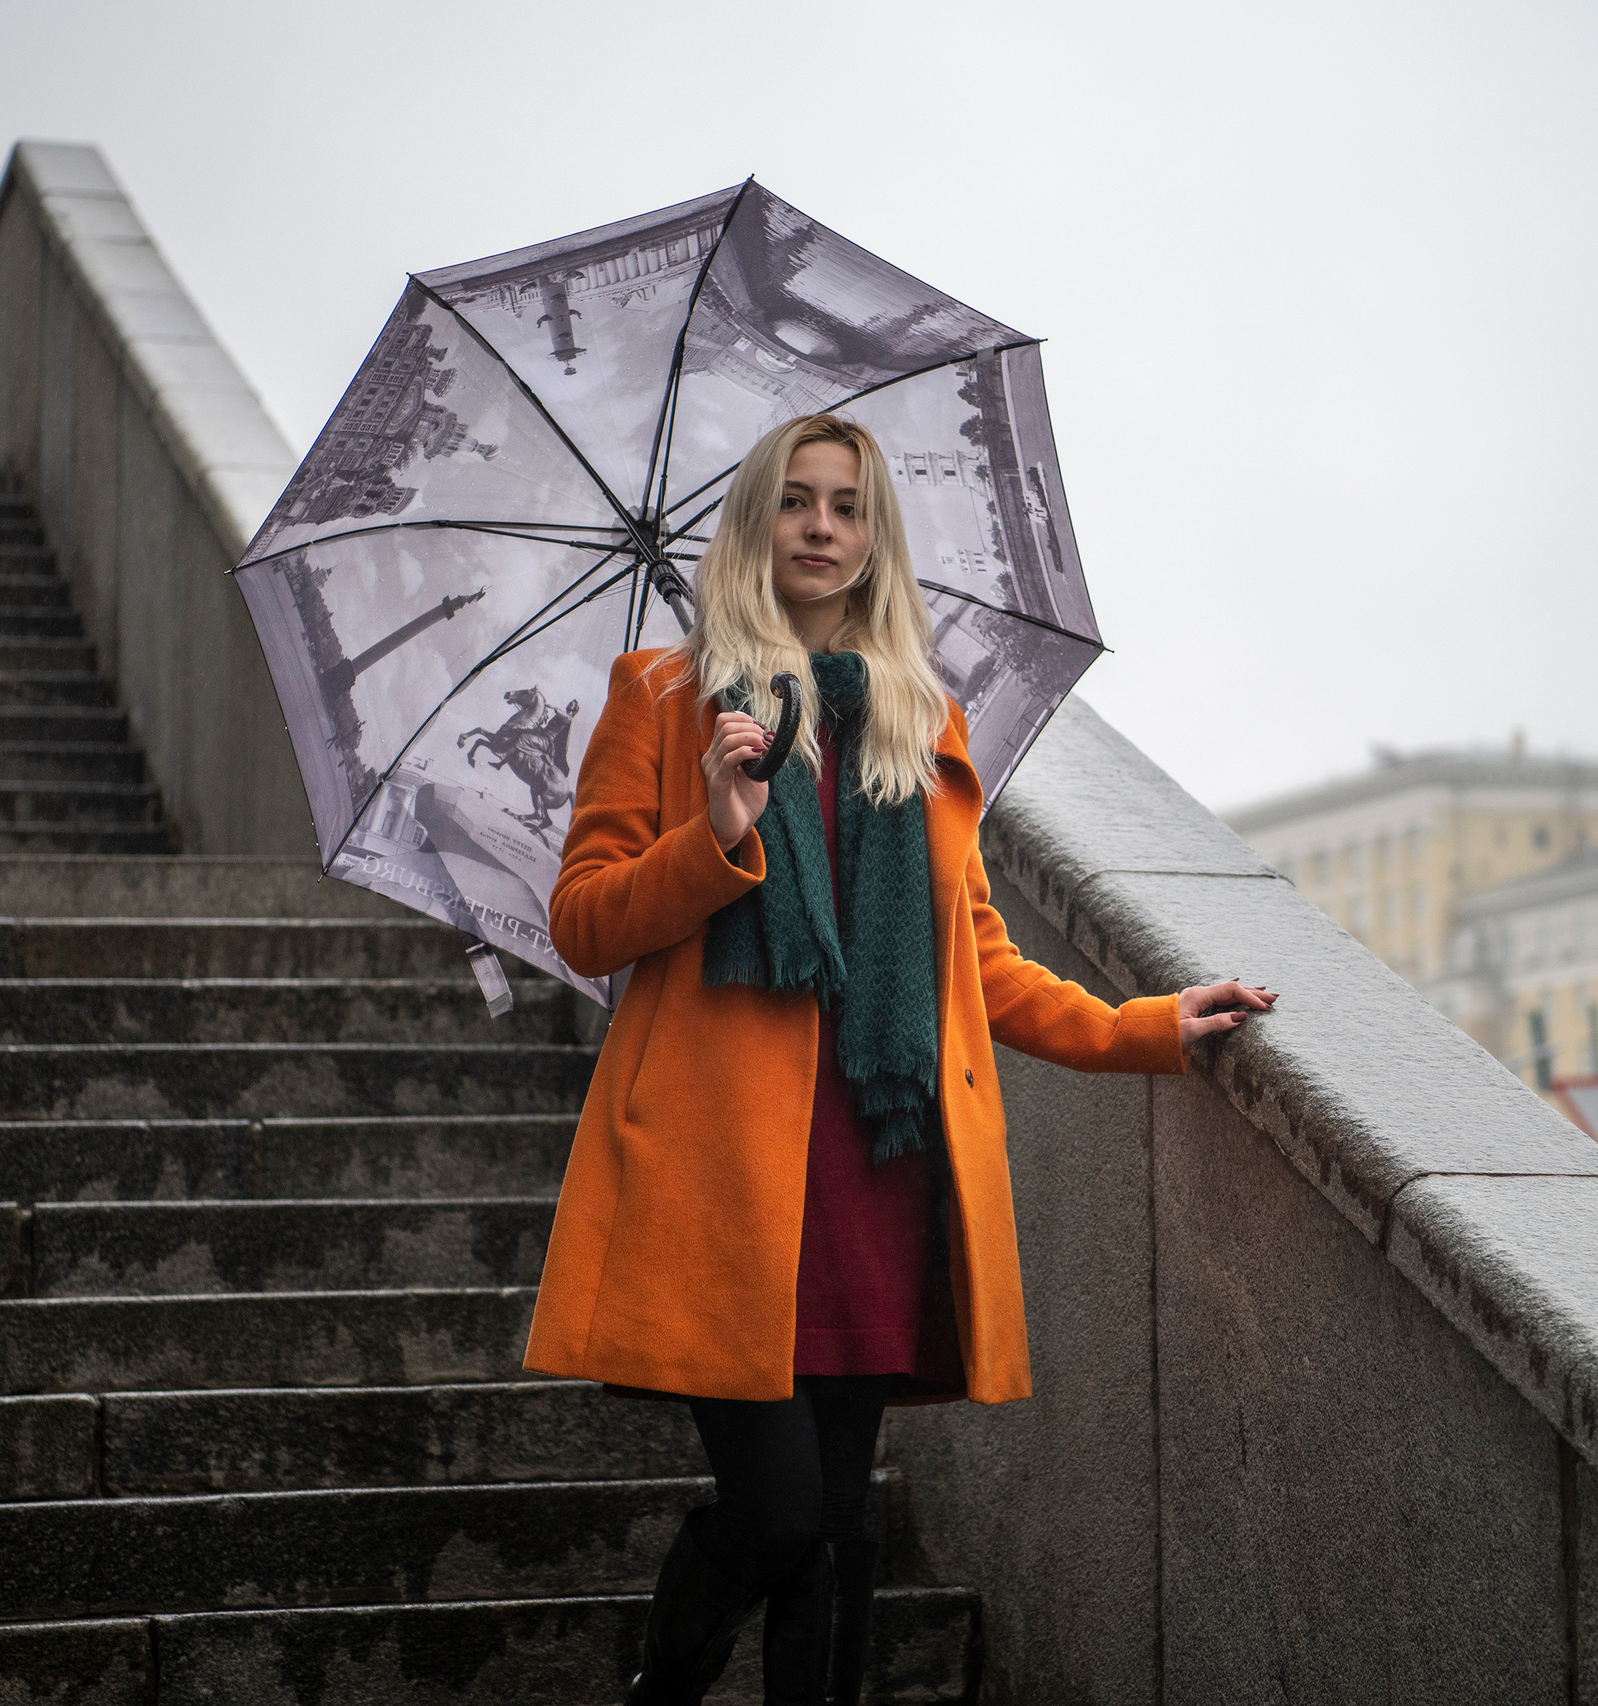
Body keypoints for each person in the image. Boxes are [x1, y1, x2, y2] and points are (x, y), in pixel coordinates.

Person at [524, 412, 1275, 1705]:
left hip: (874, 1164)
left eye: (848, 506)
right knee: (775, 1513)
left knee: (842, 1528)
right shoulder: (665, 697)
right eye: (797, 502)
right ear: (755, 524)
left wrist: (1151, 1024)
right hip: (723, 1185)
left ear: (877, 542)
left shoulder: (919, 728)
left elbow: (977, 966)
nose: (822, 527)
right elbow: (585, 917)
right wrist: (714, 827)